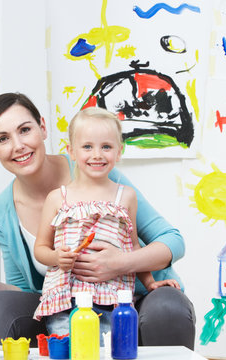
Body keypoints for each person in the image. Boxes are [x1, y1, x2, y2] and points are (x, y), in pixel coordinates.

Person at [0, 92, 196, 348]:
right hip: (63, 306)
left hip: (126, 298)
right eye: (3, 139)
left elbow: (172, 241)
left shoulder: (99, 175)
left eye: (25, 130)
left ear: (43, 128)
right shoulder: (4, 211)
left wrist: (119, 263)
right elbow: (26, 292)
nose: (18, 145)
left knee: (167, 306)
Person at [32, 107, 180, 341]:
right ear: (71, 151)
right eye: (87, 146)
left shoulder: (126, 197)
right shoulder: (57, 198)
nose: (97, 154)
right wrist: (56, 257)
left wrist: (150, 282)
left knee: (109, 352)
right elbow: (40, 248)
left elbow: (132, 247)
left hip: (112, 302)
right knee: (73, 353)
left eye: (106, 147)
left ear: (119, 152)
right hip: (65, 303)